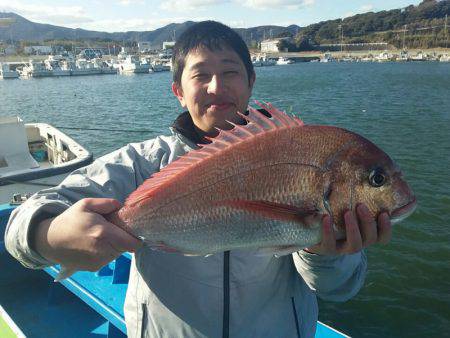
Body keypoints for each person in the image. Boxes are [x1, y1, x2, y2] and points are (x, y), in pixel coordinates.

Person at [5, 21, 392, 338]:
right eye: (200, 75)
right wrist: (49, 235)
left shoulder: (300, 154)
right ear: (178, 91)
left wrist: (323, 253)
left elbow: (338, 289)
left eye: (229, 72)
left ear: (251, 82)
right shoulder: (142, 163)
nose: (216, 87)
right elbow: (22, 223)